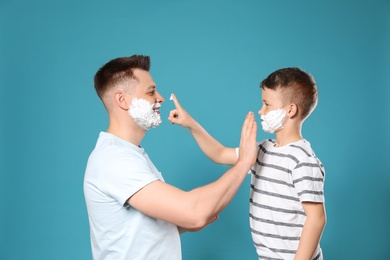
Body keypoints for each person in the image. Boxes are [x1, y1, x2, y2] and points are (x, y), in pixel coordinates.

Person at [83, 54, 258, 260]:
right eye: (151, 91)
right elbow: (194, 213)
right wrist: (244, 161)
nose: (160, 98)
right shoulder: (115, 159)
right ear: (122, 100)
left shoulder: (130, 153)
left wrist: (180, 225)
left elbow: (139, 230)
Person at [168, 67, 326, 260]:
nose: (261, 110)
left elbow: (317, 218)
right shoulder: (262, 150)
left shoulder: (303, 160)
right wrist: (191, 124)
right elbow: (219, 154)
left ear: (290, 110)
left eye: (267, 104)